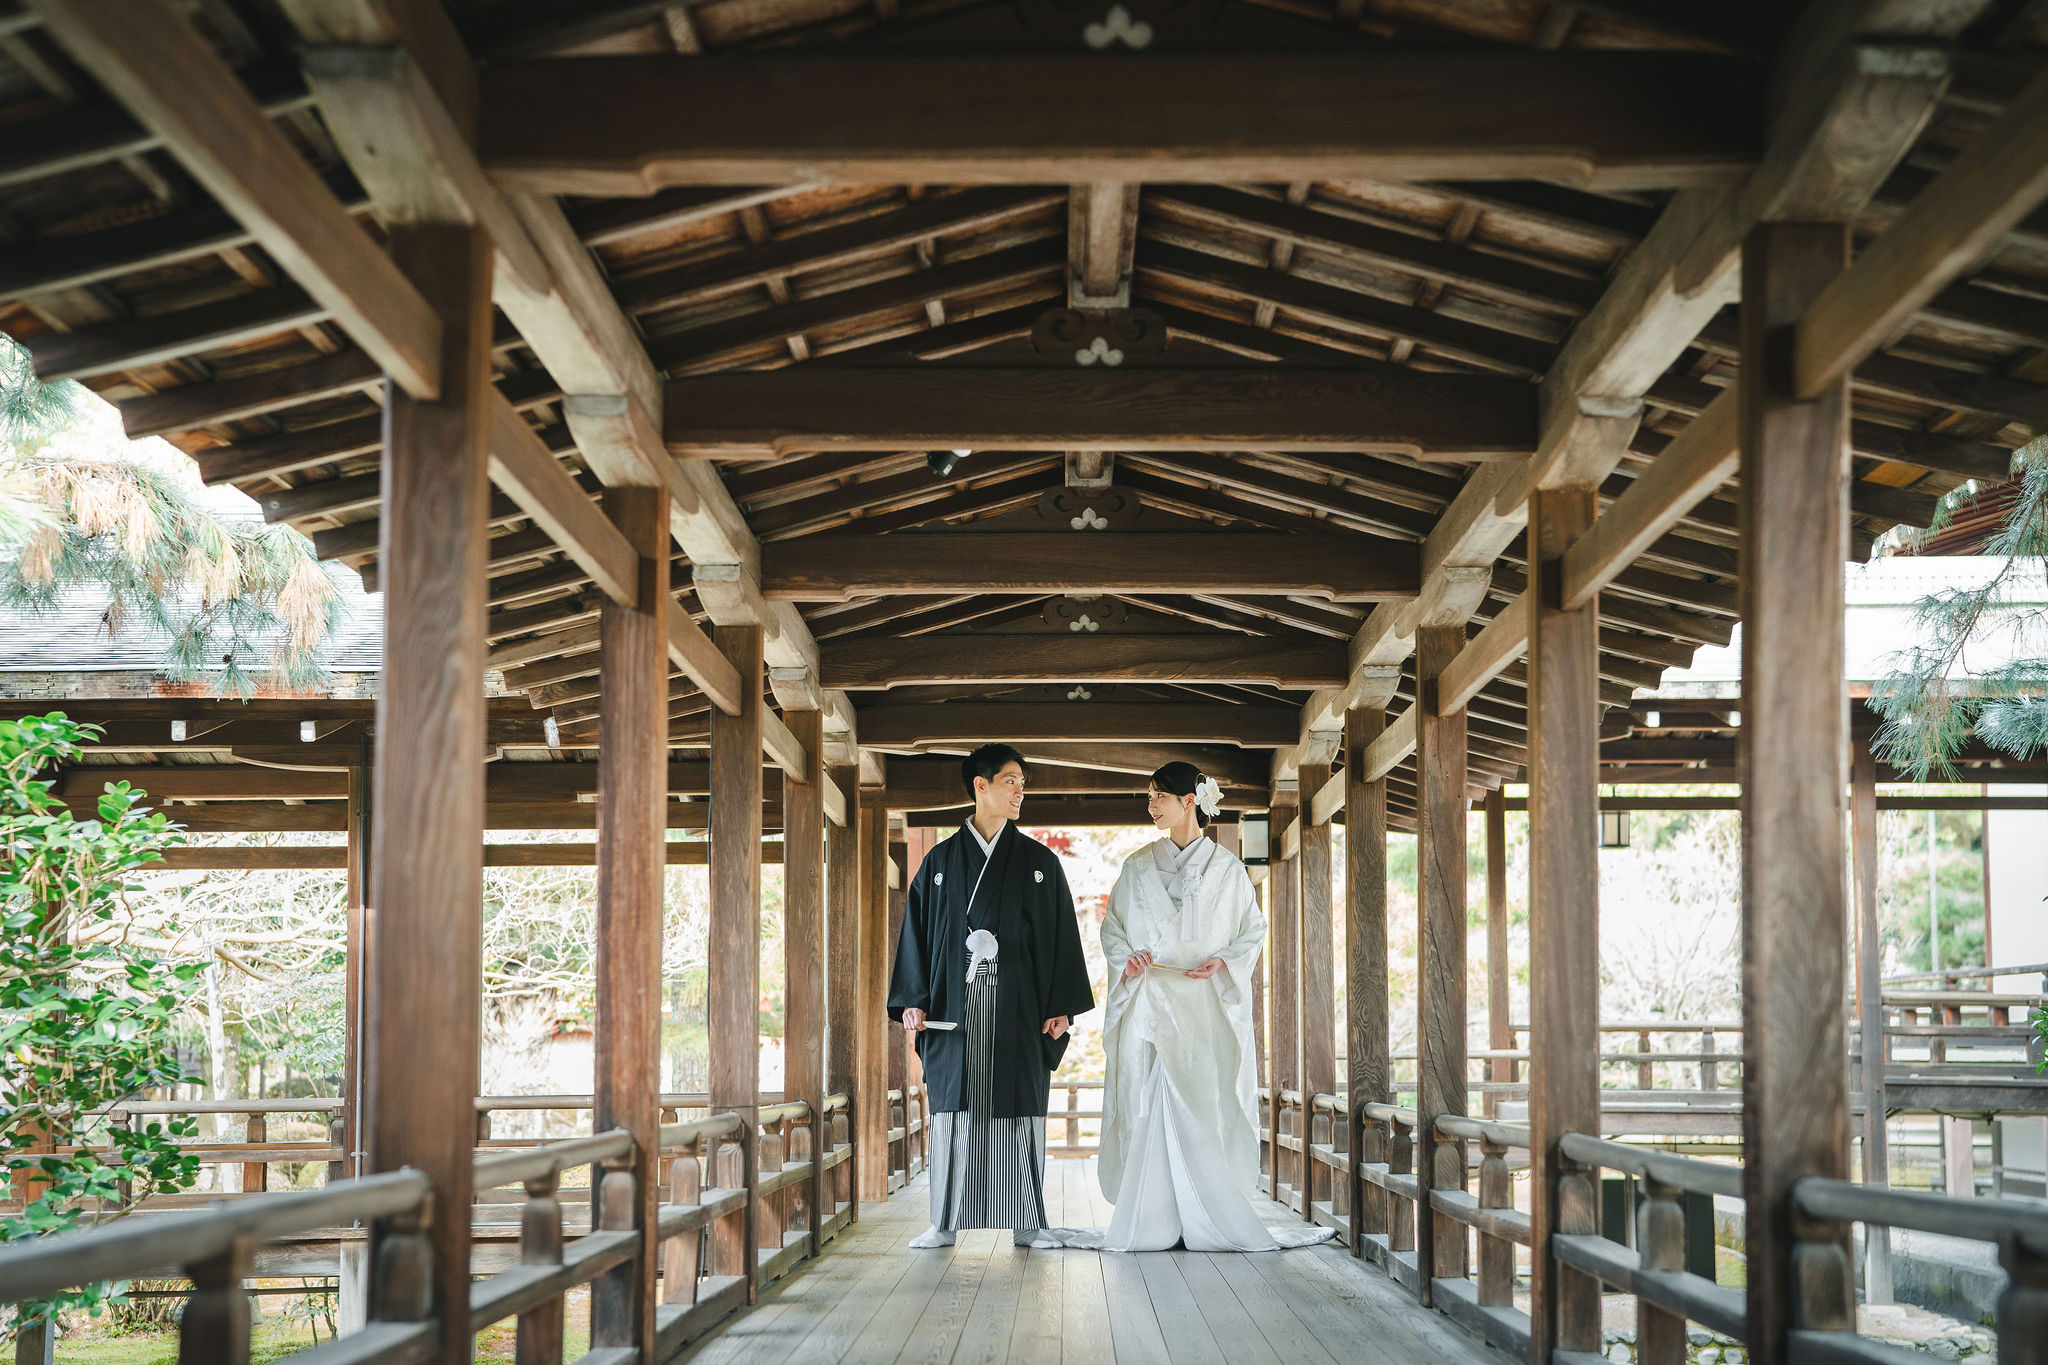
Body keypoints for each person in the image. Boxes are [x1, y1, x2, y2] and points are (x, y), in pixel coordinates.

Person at [1078, 762, 1335, 1252]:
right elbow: (1113, 929)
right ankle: (1153, 1215)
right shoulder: (1135, 867)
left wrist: (1223, 960)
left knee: (1203, 1103)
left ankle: (1204, 1212)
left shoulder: (1226, 868)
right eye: (1149, 795)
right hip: (1152, 1001)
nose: (1151, 805)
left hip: (1202, 1005)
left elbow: (1251, 930)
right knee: (1147, 1102)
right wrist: (1126, 961)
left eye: (1160, 796)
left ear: (1190, 801)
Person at [887, 743, 1095, 1249]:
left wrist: (1060, 1005)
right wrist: (914, 996)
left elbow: (1058, 936)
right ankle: (943, 1222)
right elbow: (917, 935)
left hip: (1017, 1013)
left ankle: (1028, 1221)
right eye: (1010, 781)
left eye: (1023, 782)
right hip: (954, 1017)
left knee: (1019, 1108)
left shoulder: (1038, 863)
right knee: (952, 1114)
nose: (1020, 791)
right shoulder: (938, 862)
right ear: (980, 786)